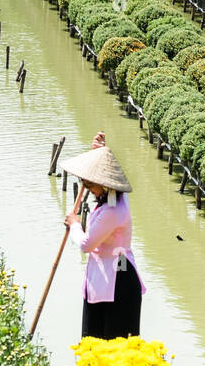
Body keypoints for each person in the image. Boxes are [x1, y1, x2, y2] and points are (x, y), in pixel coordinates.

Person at [60, 132, 145, 339]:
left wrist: (74, 226)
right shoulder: (115, 198)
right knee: (93, 341)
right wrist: (98, 155)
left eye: (91, 185)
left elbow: (86, 245)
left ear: (106, 185)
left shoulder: (113, 211)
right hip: (104, 278)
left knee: (114, 344)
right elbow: (102, 174)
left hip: (119, 282)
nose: (88, 188)